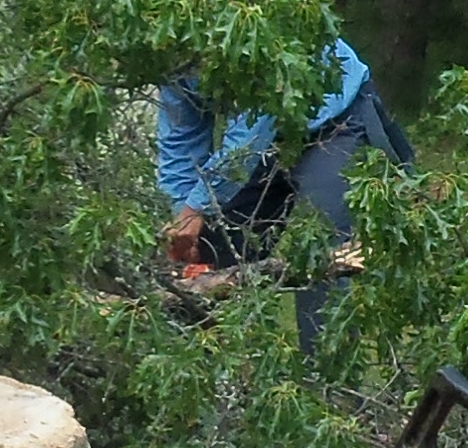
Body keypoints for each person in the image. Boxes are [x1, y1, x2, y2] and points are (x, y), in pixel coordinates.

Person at [154, 38, 411, 351]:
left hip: (334, 121)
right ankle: (218, 369)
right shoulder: (169, 47)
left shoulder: (247, 20)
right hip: (258, 142)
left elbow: (253, 131)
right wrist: (183, 220)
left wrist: (196, 209)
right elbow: (180, 140)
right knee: (211, 249)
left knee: (321, 250)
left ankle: (325, 375)